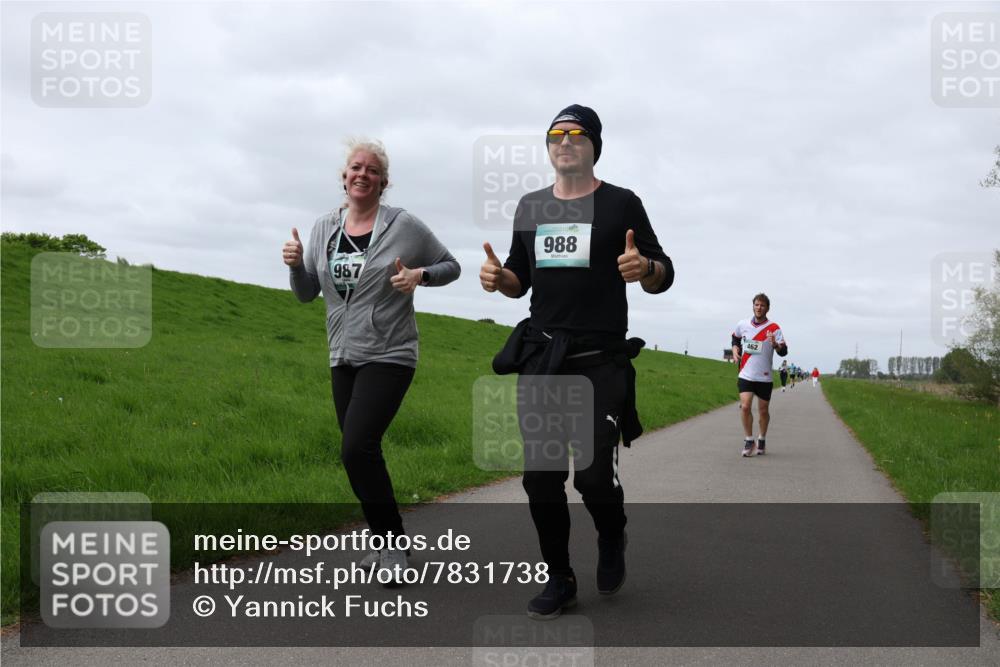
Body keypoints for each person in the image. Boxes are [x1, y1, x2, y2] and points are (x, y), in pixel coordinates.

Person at [480, 104, 674, 619]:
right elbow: (520, 277)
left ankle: (613, 534)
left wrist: (645, 267)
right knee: (541, 478)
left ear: (594, 146)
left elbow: (663, 270)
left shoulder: (621, 204)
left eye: (576, 134)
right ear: (548, 148)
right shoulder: (530, 207)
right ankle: (560, 577)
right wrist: (502, 281)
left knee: (591, 478)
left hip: (599, 361)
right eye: (555, 134)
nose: (565, 141)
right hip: (544, 358)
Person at [283, 138, 460, 584]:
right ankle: (385, 544)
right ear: (344, 177)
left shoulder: (403, 225)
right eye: (355, 167)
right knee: (360, 455)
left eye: (372, 169)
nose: (362, 174)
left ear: (383, 182)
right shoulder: (325, 226)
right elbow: (308, 293)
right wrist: (292, 266)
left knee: (355, 447)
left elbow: (451, 265)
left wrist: (421, 275)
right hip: (342, 353)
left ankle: (394, 548)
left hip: (390, 353)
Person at [731, 293, 788, 457]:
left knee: (763, 411)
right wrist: (735, 351)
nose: (759, 308)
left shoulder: (774, 328)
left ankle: (762, 438)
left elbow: (784, 351)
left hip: (764, 376)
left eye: (762, 305)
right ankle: (749, 440)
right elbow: (735, 338)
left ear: (767, 308)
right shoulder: (743, 324)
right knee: (746, 406)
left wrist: (775, 345)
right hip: (746, 374)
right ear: (753, 306)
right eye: (756, 304)